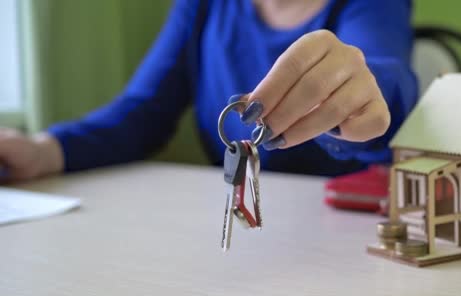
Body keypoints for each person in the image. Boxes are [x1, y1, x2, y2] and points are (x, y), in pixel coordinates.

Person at [0, 0, 418, 181]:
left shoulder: (371, 4)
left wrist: (365, 93)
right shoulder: (203, 5)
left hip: (340, 248)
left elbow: (388, 78)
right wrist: (44, 151)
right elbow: (141, 114)